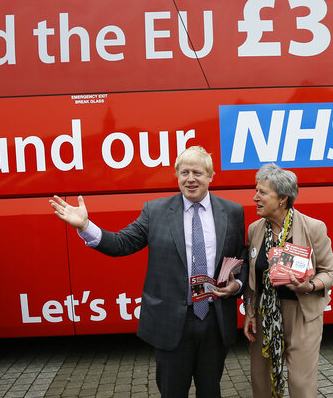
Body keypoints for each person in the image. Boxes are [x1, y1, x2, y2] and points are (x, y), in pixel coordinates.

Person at [49, 146, 246, 398]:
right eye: (184, 172)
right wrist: (86, 226)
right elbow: (121, 243)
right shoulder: (155, 211)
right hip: (172, 322)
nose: (190, 178)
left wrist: (237, 286)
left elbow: (240, 257)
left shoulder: (231, 211)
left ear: (211, 176)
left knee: (211, 391)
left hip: (214, 320)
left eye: (197, 172)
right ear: (177, 175)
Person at [243, 163, 333, 398]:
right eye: (256, 191)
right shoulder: (254, 229)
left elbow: (329, 272)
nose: (255, 198)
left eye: (262, 192)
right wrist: (250, 312)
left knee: (300, 381)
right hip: (265, 313)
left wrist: (310, 285)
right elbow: (253, 276)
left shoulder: (313, 228)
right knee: (261, 378)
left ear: (282, 198)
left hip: (302, 313)